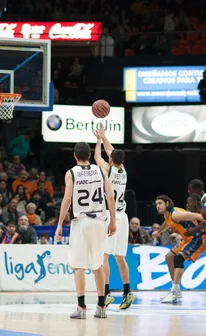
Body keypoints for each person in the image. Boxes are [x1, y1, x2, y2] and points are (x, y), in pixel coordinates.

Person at [55, 142, 116, 319]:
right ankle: (101, 306)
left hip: (81, 222)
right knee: (99, 264)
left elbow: (67, 200)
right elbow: (110, 196)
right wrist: (113, 220)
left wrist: (59, 224)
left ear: (74, 156)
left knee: (79, 266)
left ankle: (82, 307)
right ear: (89, 155)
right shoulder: (101, 171)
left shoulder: (71, 173)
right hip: (99, 221)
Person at [92, 124, 135, 310]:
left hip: (110, 216)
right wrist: (105, 137)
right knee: (120, 257)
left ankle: (107, 292)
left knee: (104, 256)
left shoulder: (107, 170)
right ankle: (127, 292)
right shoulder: (123, 171)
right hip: (123, 216)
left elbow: (96, 157)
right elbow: (113, 153)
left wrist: (99, 140)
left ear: (110, 160)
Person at [153, 195, 206, 303]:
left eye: (160, 203)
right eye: (156, 204)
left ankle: (175, 290)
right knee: (169, 256)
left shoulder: (176, 214)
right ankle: (176, 289)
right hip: (187, 240)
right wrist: (159, 232)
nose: (157, 206)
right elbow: (166, 223)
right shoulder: (168, 216)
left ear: (167, 204)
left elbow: (197, 216)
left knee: (178, 258)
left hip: (198, 238)